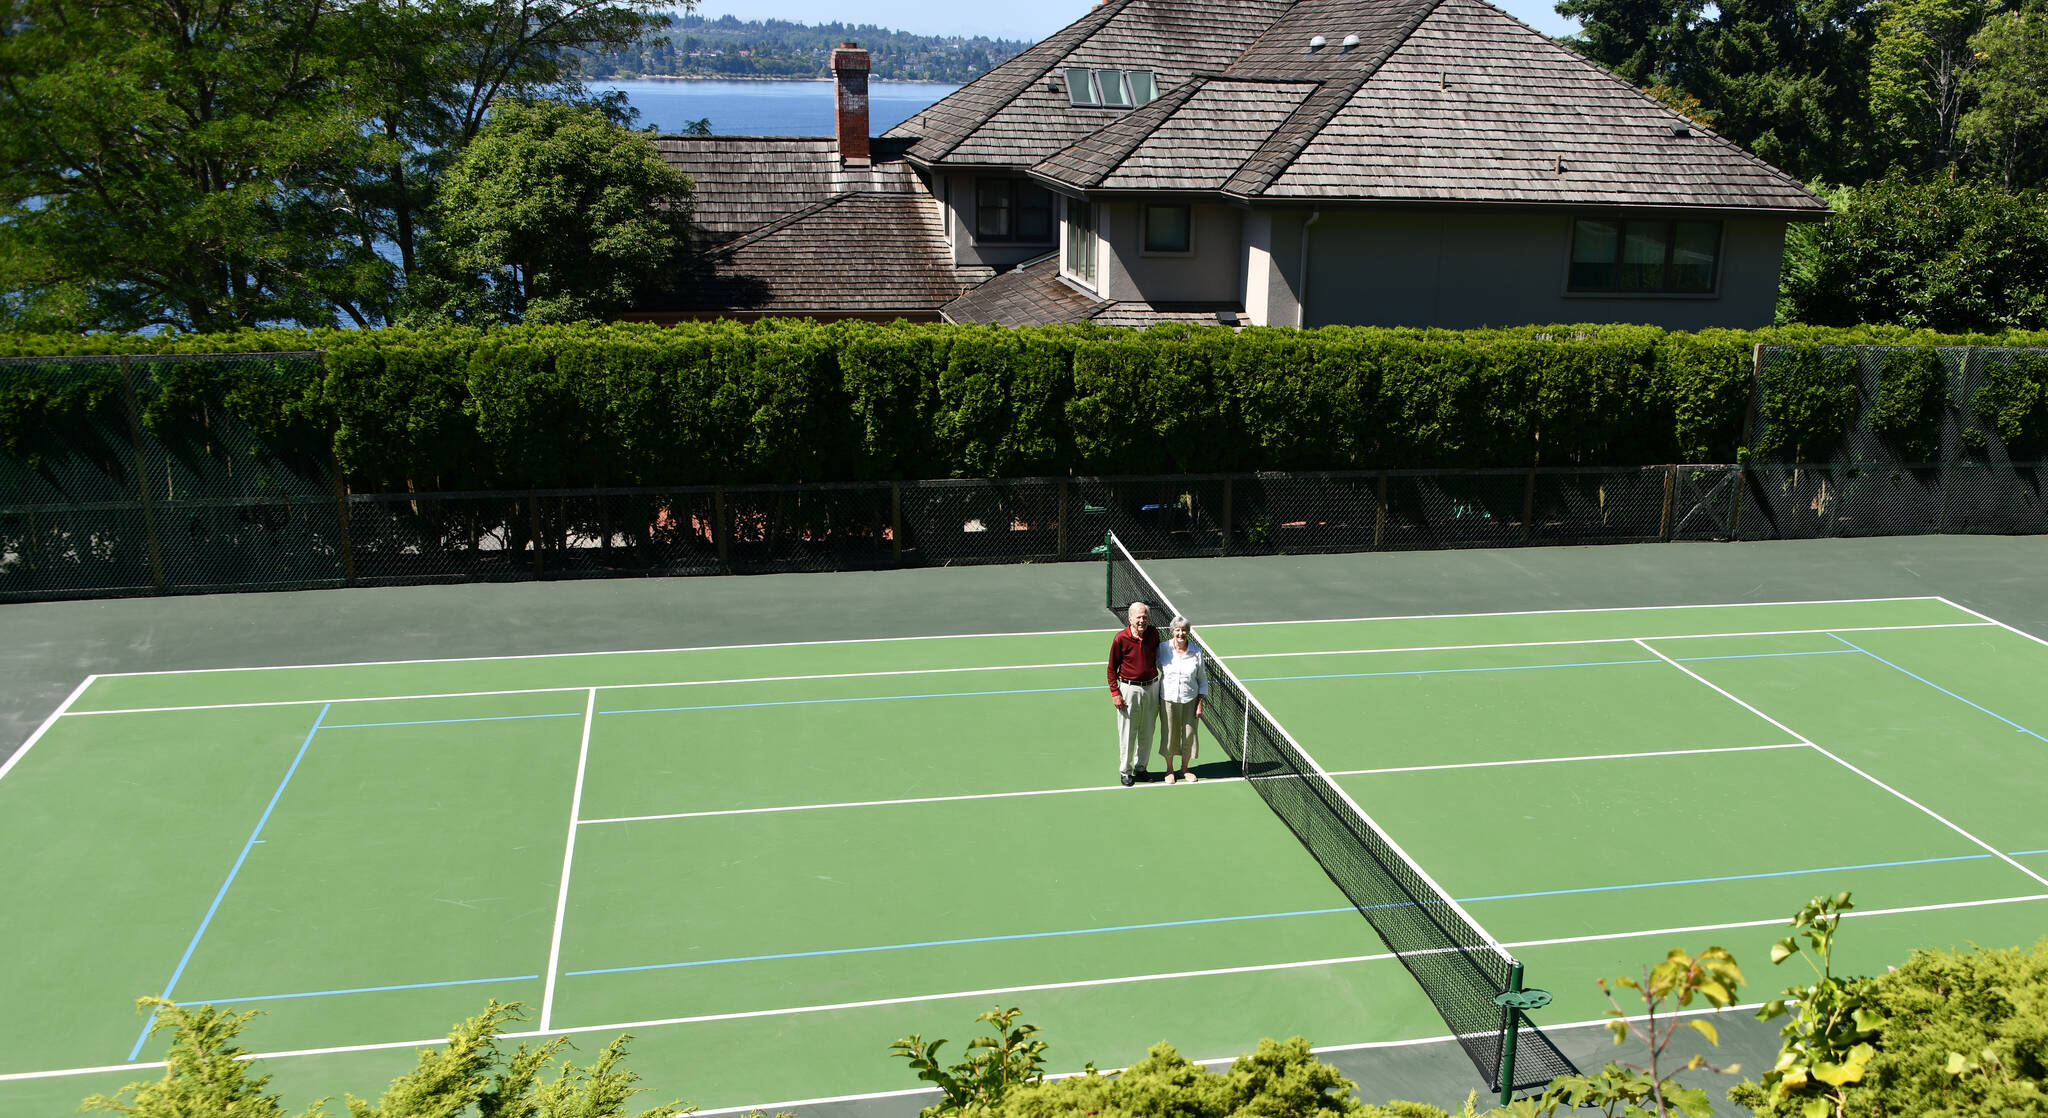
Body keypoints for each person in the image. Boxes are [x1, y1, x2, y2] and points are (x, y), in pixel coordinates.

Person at [1107, 601, 1160, 786]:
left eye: (1145, 617)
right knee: (1128, 732)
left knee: (1148, 731)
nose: (1142, 620)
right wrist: (1115, 692)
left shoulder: (1154, 634)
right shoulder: (1120, 639)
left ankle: (1141, 767)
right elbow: (1111, 668)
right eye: (1138, 617)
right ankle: (1126, 771)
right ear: (1130, 618)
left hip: (1152, 688)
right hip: (1129, 689)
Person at [1155, 615, 1207, 784]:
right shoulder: (1163, 648)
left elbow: (1202, 680)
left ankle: (1185, 768)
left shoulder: (1196, 651)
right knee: (1169, 733)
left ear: (1188, 632)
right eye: (1177, 630)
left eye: (1184, 630)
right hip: (1168, 699)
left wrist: (1199, 703)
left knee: (1189, 734)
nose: (1180, 633)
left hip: (1190, 699)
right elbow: (1155, 666)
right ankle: (1169, 770)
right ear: (1173, 631)